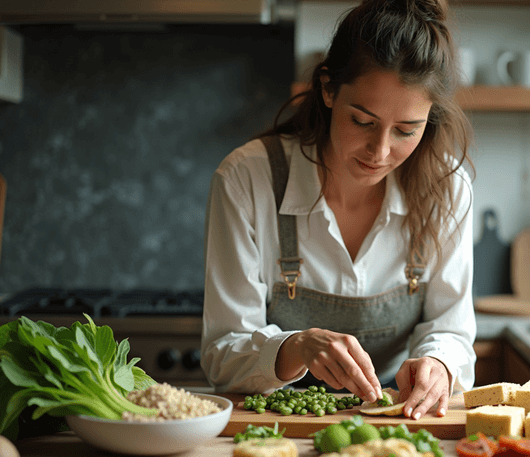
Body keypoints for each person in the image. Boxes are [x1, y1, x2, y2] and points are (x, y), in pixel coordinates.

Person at [200, 0, 476, 419]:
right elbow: (222, 354)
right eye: (363, 121)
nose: (380, 152)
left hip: (394, 424)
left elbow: (452, 331)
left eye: (406, 130)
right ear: (328, 89)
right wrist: (296, 347)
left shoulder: (448, 190)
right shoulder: (247, 179)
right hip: (275, 422)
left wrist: (439, 365)